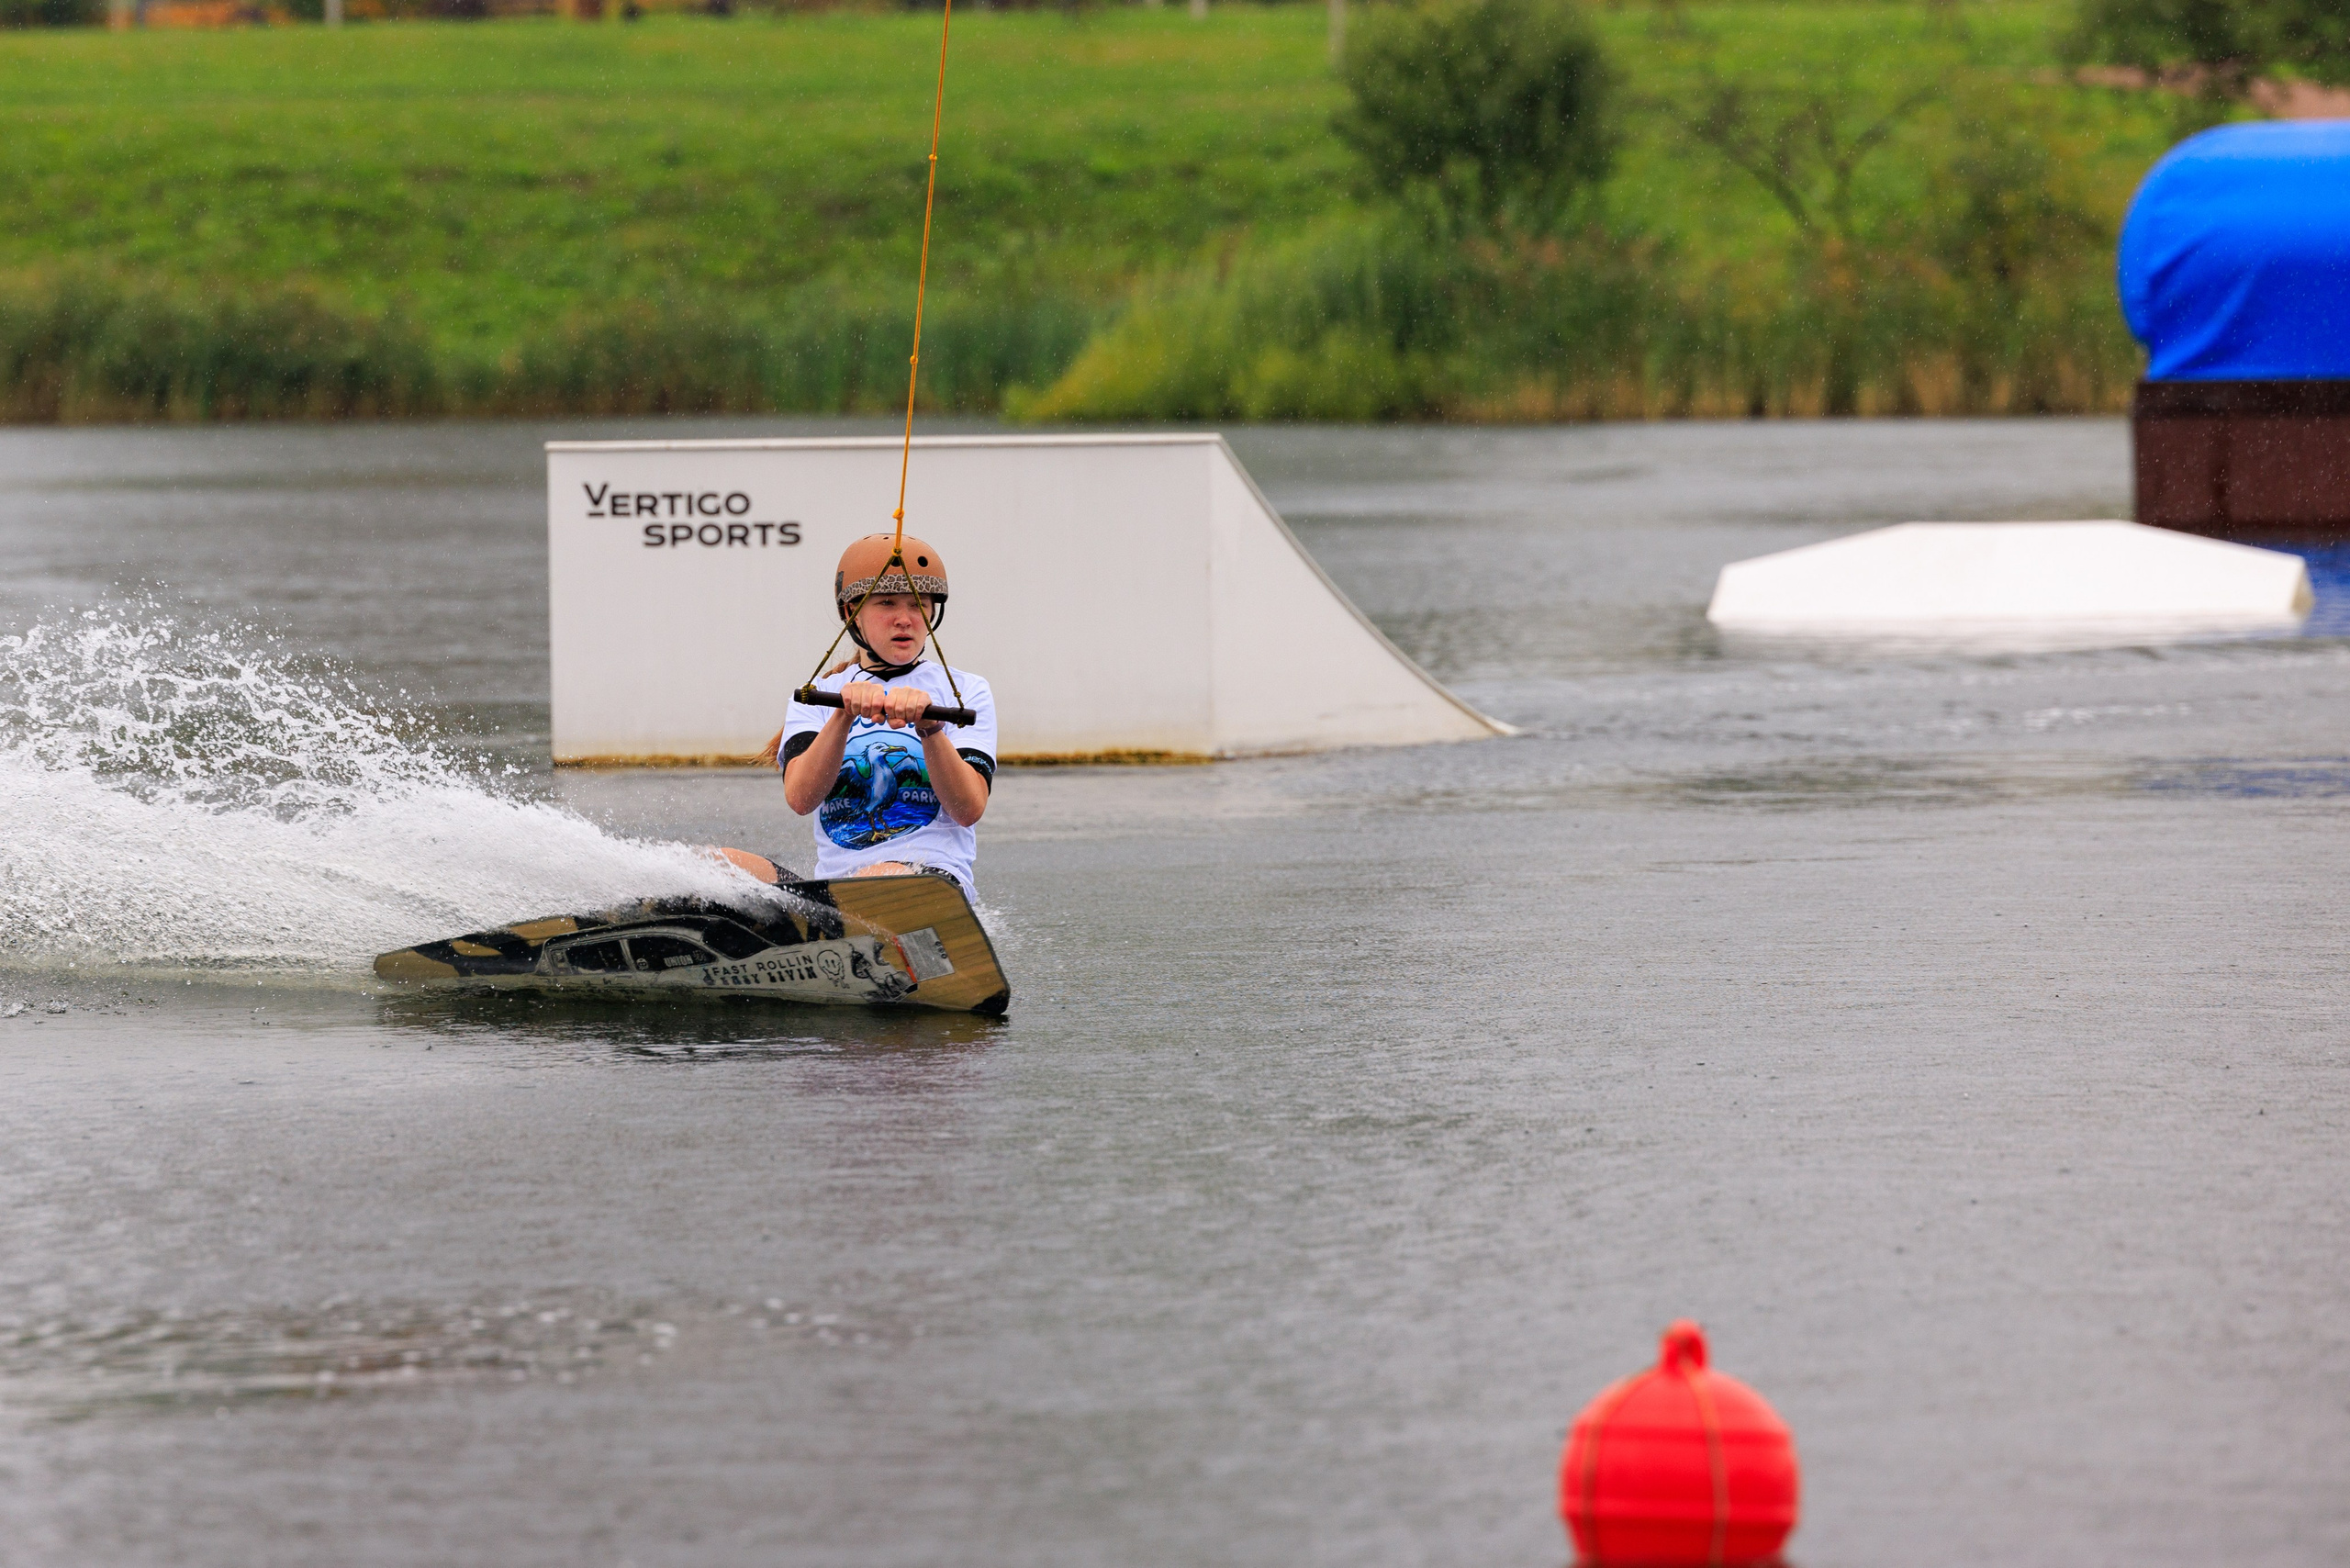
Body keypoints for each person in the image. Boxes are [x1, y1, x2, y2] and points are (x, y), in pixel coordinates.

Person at [772, 532, 996, 899]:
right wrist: (842, 717)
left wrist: (931, 730)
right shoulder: (815, 695)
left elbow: (968, 809)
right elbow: (800, 799)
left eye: (917, 604)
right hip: (838, 890)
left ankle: (825, 919)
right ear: (851, 613)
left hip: (933, 882)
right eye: (888, 603)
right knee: (717, 864)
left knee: (881, 875)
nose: (905, 619)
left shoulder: (967, 691)